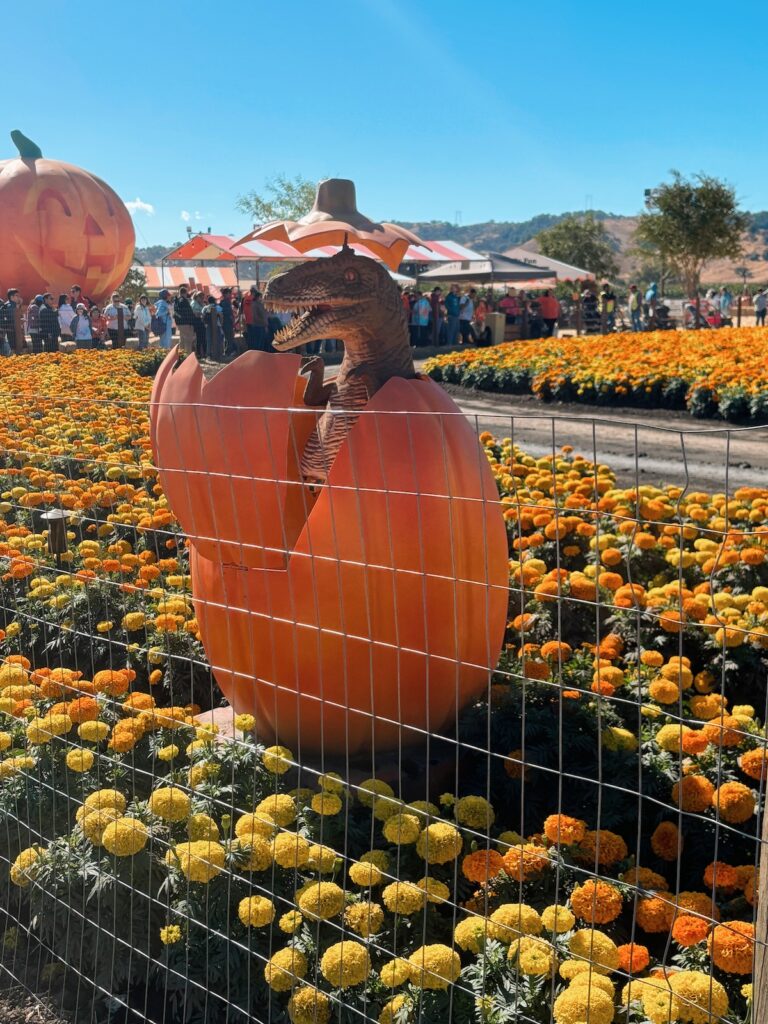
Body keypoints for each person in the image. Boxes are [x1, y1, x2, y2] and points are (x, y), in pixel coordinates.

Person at [173, 286, 196, 355]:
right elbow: (188, 313)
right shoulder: (184, 301)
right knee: (188, 341)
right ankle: (187, 357)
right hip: (186, 323)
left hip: (180, 323)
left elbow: (176, 313)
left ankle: (181, 357)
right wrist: (192, 322)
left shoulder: (176, 301)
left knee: (182, 341)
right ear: (185, 293)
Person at [0, 289, 23, 355]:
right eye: (17, 296)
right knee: (13, 349)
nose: (19, 297)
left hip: (12, 330)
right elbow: (12, 318)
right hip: (11, 331)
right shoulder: (10, 306)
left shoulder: (11, 305)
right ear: (11, 297)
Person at [202, 294, 223, 360]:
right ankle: (219, 354)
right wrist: (221, 324)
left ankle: (209, 355)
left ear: (208, 301)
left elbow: (202, 316)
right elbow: (221, 315)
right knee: (218, 339)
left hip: (208, 325)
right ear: (214, 301)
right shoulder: (218, 307)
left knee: (209, 340)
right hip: (217, 325)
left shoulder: (205, 308)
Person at [219, 287, 236, 357]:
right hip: (227, 322)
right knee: (229, 337)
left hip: (226, 322)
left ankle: (227, 351)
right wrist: (232, 318)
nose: (231, 295)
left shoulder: (224, 302)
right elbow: (227, 312)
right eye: (229, 293)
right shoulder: (225, 302)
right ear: (226, 294)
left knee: (228, 338)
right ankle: (228, 352)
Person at [190, 291, 206, 356]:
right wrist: (202, 313)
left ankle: (203, 353)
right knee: (199, 339)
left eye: (203, 297)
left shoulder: (201, 303)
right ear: (197, 297)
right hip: (197, 323)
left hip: (201, 322)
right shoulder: (194, 303)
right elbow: (195, 313)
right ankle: (199, 354)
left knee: (203, 338)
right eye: (201, 297)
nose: (203, 299)